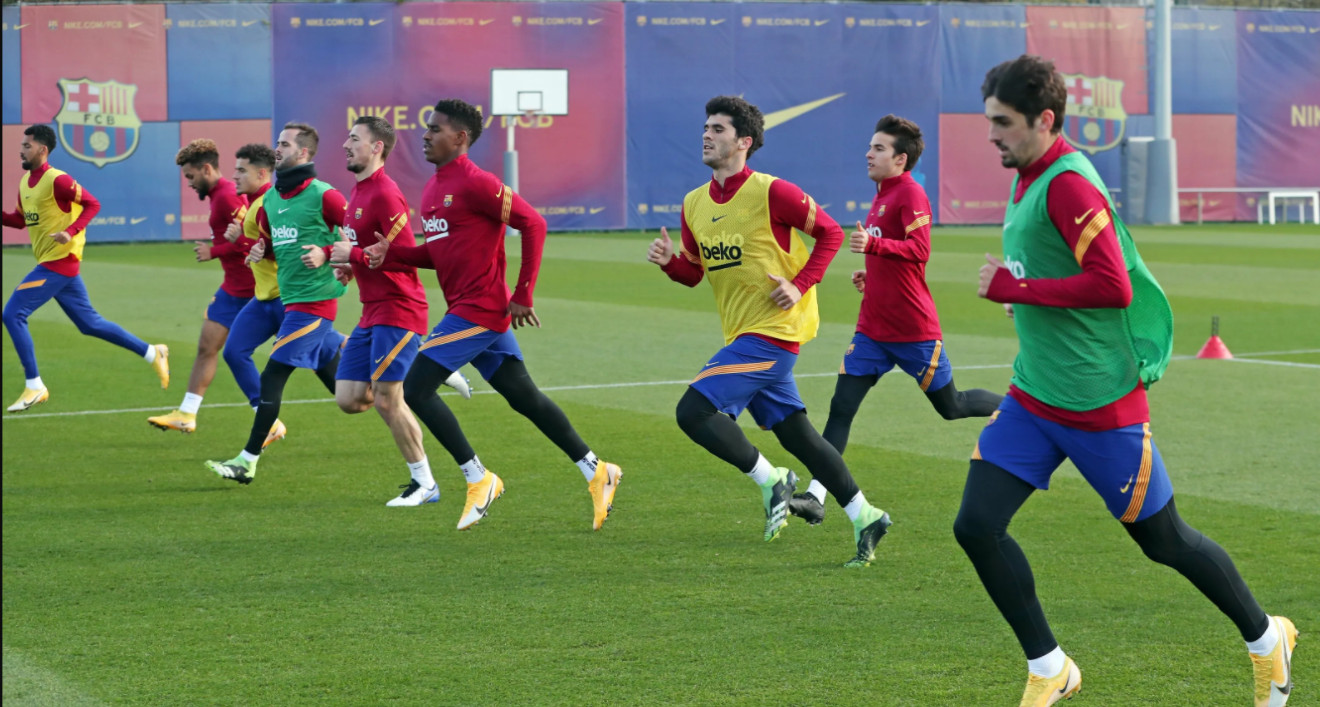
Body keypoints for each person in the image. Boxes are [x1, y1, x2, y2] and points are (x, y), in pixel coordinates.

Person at [961, 55, 1297, 707]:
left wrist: (1018, 286)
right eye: (989, 122)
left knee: (1164, 540)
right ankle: (1050, 665)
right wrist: (1024, 296)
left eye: (1002, 123)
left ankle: (1266, 638)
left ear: (1044, 120)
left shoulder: (1067, 183)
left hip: (1098, 403)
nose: (992, 134)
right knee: (976, 523)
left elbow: (1112, 284)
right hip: (1035, 395)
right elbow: (1056, 266)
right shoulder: (1026, 173)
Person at [646, 95, 891, 567]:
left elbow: (832, 234)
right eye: (706, 126)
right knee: (800, 438)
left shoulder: (771, 191)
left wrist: (799, 286)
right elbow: (695, 273)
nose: (706, 134)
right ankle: (866, 515)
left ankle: (771, 479)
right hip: (742, 334)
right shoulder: (693, 204)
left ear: (744, 142)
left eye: (717, 129)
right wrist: (669, 263)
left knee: (693, 411)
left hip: (775, 332)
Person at [363, 98, 622, 531]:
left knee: (416, 387)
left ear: (460, 138)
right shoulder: (433, 188)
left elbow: (533, 223)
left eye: (435, 129)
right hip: (468, 308)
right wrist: (394, 255)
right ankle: (597, 469)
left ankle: (478, 477)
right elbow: (441, 253)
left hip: (481, 310)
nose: (425, 135)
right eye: (426, 128)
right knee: (524, 397)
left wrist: (524, 293)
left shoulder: (476, 182)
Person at [788, 115, 1003, 525]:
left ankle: (1019, 409)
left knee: (952, 407)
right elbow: (894, 254)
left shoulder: (910, 193)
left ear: (901, 159)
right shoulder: (882, 194)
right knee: (840, 409)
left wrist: (873, 244)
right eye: (870, 146)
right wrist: (872, 275)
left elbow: (919, 250)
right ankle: (816, 496)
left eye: (879, 148)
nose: (869, 153)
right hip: (872, 329)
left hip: (912, 330)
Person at [319, 115, 471, 507]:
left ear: (376, 148)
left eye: (354, 139)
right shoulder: (356, 194)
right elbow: (368, 255)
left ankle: (425, 484)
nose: (345, 145)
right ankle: (423, 362)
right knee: (350, 399)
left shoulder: (386, 194)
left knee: (388, 399)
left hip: (399, 308)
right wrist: (350, 265)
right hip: (372, 311)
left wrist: (351, 254)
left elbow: (404, 259)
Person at [204, 122, 349, 484]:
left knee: (273, 373)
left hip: (314, 303)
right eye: (277, 142)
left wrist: (330, 253)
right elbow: (272, 242)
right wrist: (260, 247)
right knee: (349, 394)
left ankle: (247, 460)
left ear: (303, 153)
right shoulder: (270, 199)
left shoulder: (326, 195)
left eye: (283, 144)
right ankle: (411, 373)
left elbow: (357, 240)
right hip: (276, 300)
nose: (276, 149)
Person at [3, 124, 169, 412]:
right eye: (22, 144)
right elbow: (19, 220)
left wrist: (70, 231)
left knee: (12, 313)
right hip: (53, 265)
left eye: (27, 145)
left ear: (42, 150)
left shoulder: (58, 180)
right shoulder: (25, 183)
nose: (21, 149)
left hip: (59, 263)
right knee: (89, 323)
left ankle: (34, 385)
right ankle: (152, 352)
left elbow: (92, 204)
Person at [148, 139, 252, 433]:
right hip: (233, 288)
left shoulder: (228, 196)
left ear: (207, 168)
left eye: (191, 177)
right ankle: (186, 414)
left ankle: (348, 346)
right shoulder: (220, 196)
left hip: (252, 290)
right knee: (208, 346)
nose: (190, 184)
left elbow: (250, 240)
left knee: (310, 344)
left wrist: (213, 251)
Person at [214, 143, 289, 449]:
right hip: (263, 299)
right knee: (234, 351)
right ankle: (267, 420)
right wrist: (241, 241)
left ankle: (410, 359)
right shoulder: (253, 204)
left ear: (261, 173)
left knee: (340, 378)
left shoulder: (272, 203)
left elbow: (283, 248)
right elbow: (257, 248)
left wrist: (242, 243)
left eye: (241, 170)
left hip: (288, 300)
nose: (234, 176)